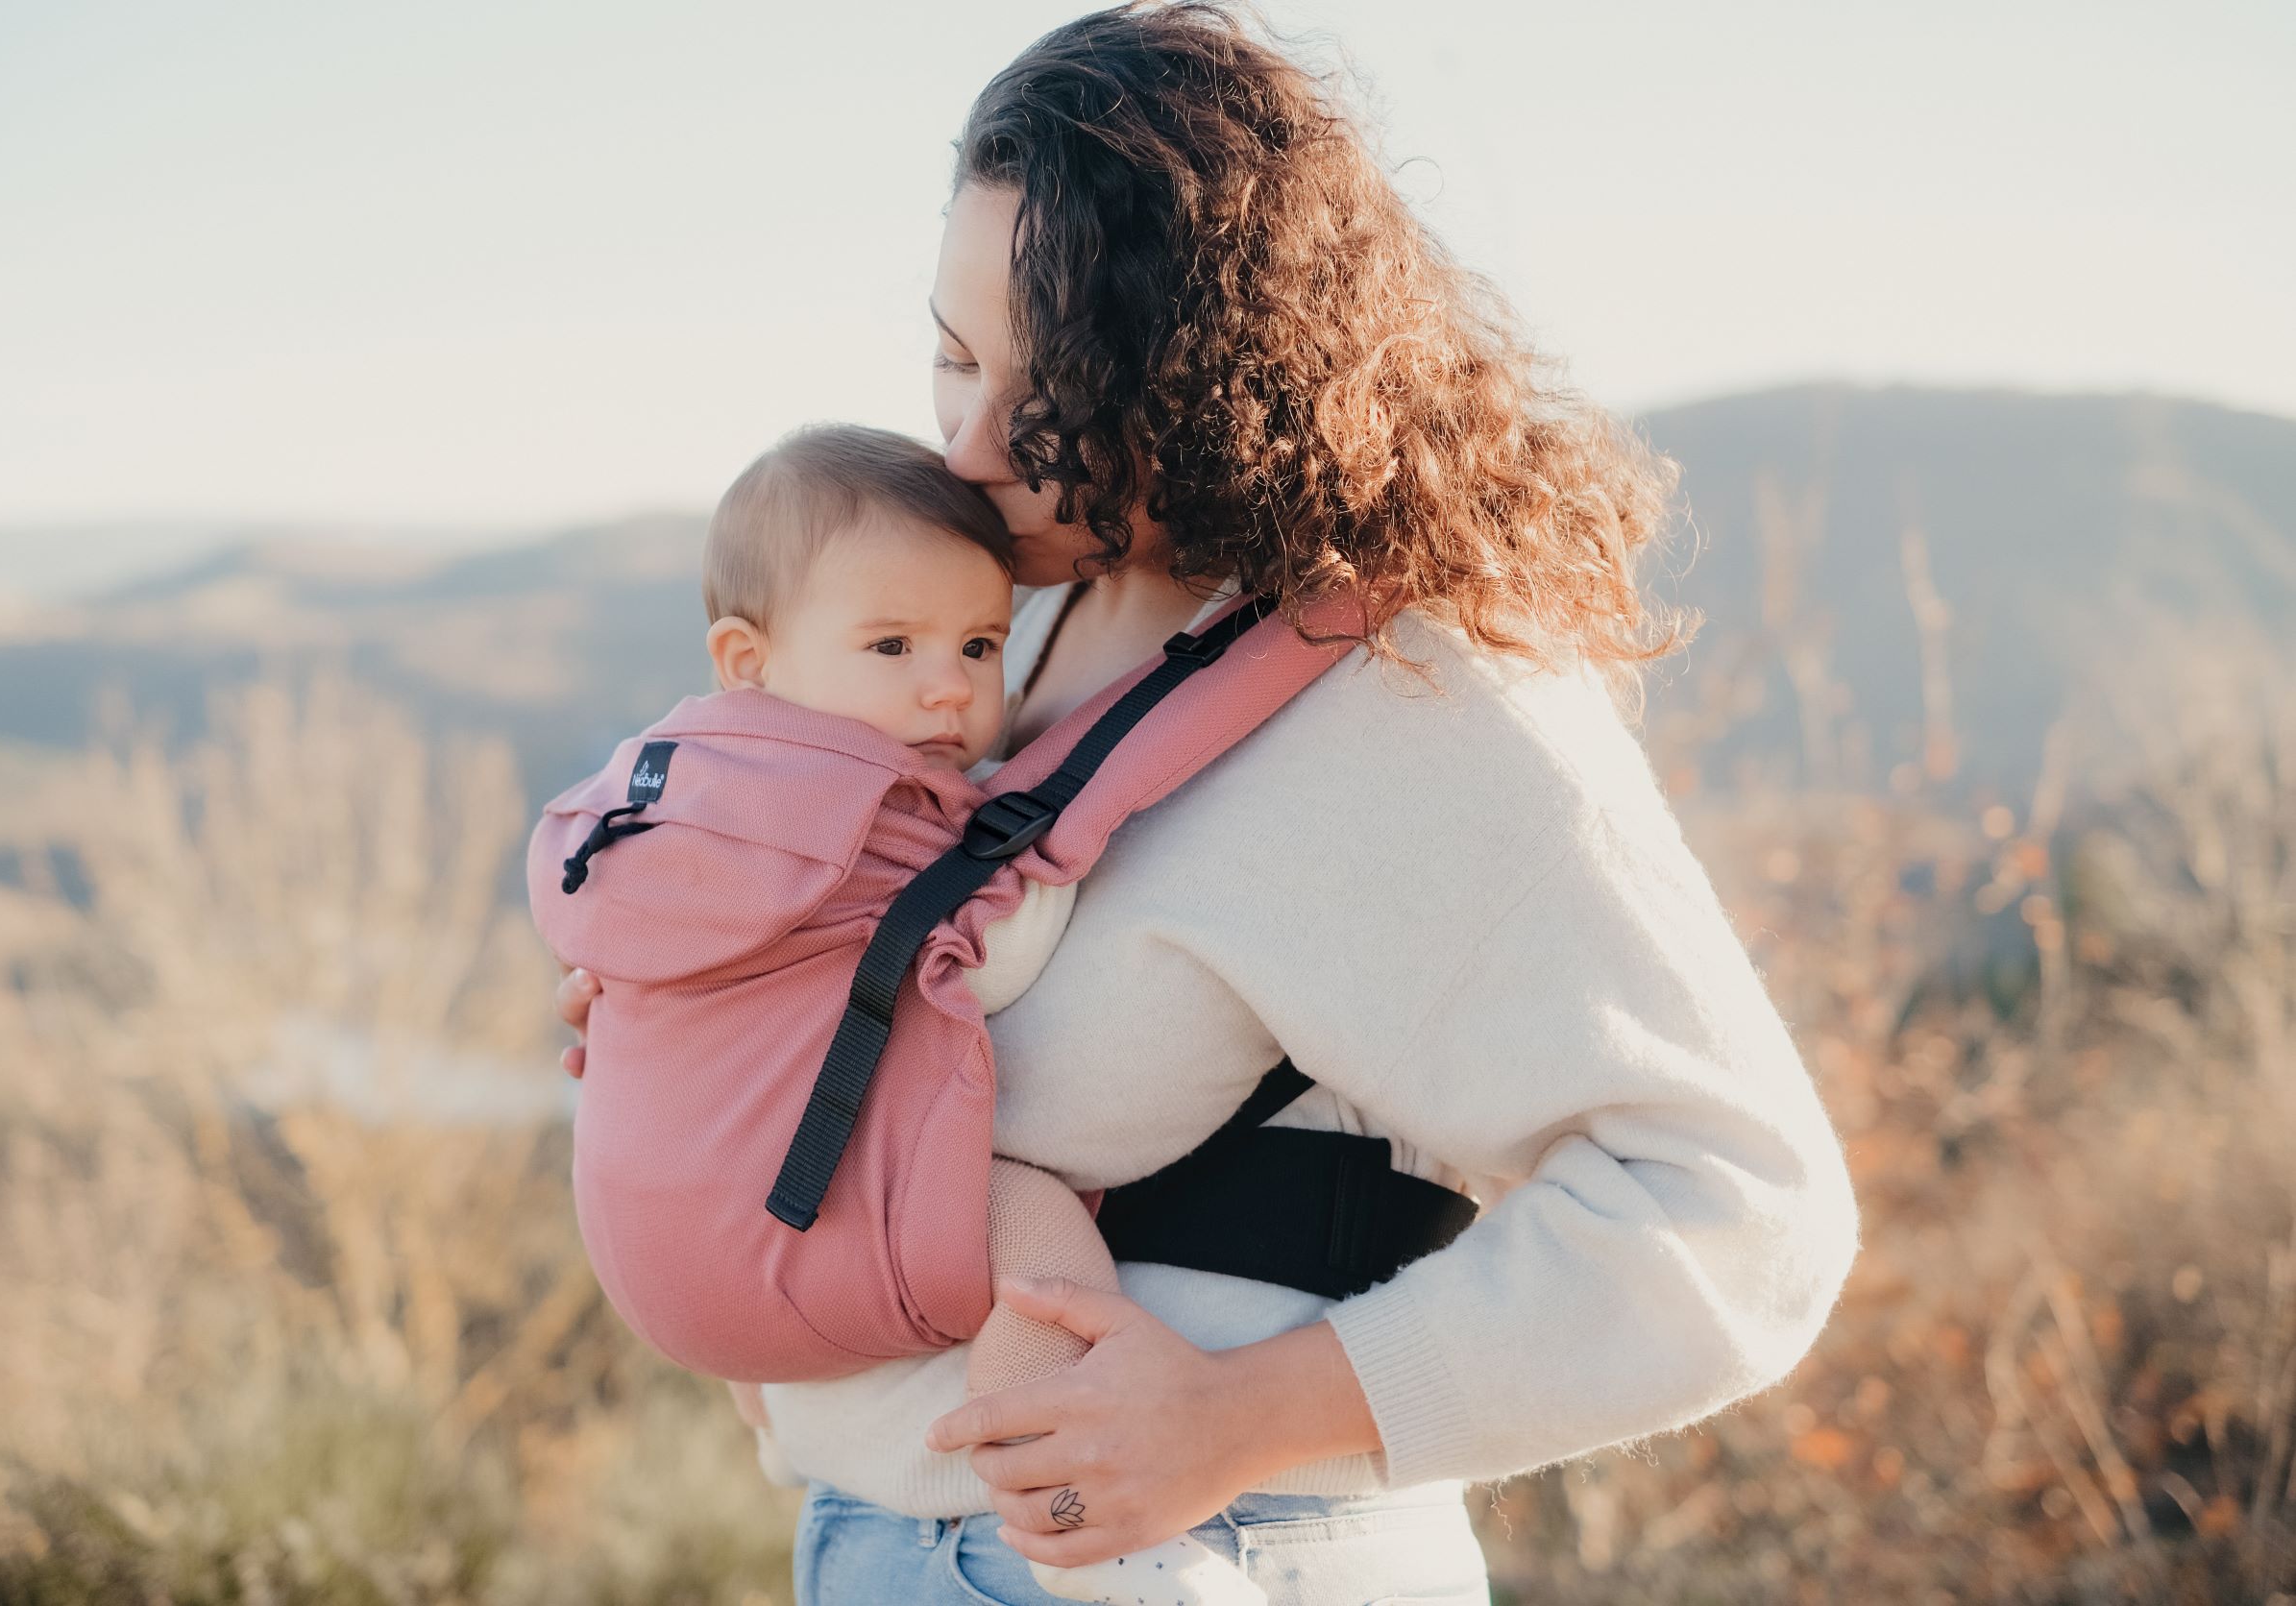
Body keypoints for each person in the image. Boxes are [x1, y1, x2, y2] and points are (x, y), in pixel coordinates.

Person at [558, 6, 1861, 1602]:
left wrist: (1246, 1419)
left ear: (1196, 381)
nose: (962, 445)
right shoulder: (993, 629)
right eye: (950, 356)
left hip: (1222, 1554)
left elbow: (1739, 1208)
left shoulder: (1409, 698)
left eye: (1039, 395)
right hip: (876, 1539)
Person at [539, 420, 1266, 1604]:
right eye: (893, 644)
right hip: (787, 1240)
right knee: (1032, 1237)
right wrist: (1063, 872)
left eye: (981, 643)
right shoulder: (866, 808)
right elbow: (985, 969)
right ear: (748, 659)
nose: (949, 683)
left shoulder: (661, 792)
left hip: (662, 1267)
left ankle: (777, 1429)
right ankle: (1065, 1516)